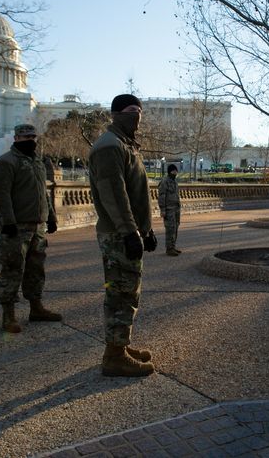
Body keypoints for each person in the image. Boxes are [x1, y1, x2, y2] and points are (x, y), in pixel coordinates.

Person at [88, 94, 158, 377]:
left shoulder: (125, 144)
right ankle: (114, 356)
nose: (137, 116)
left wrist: (147, 230)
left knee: (127, 291)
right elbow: (114, 196)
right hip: (118, 234)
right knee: (120, 293)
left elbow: (136, 193)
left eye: (139, 111)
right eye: (131, 111)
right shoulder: (109, 147)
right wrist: (130, 232)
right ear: (116, 114)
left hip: (128, 232)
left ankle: (119, 345)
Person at [0, 123, 62, 333]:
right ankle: (8, 315)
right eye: (25, 137)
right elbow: (1, 195)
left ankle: (36, 307)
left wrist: (50, 217)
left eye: (33, 136)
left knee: (35, 269)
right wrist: (8, 222)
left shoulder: (37, 162)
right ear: (16, 139)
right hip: (16, 226)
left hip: (37, 225)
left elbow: (42, 192)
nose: (30, 140)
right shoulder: (6, 162)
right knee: (12, 268)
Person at [158, 163, 182, 256]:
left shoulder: (175, 182)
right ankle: (169, 248)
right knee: (170, 229)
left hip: (176, 209)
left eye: (176, 171)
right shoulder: (165, 181)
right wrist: (162, 210)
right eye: (174, 171)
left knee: (175, 228)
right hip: (168, 209)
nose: (175, 172)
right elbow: (161, 196)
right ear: (170, 171)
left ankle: (173, 246)